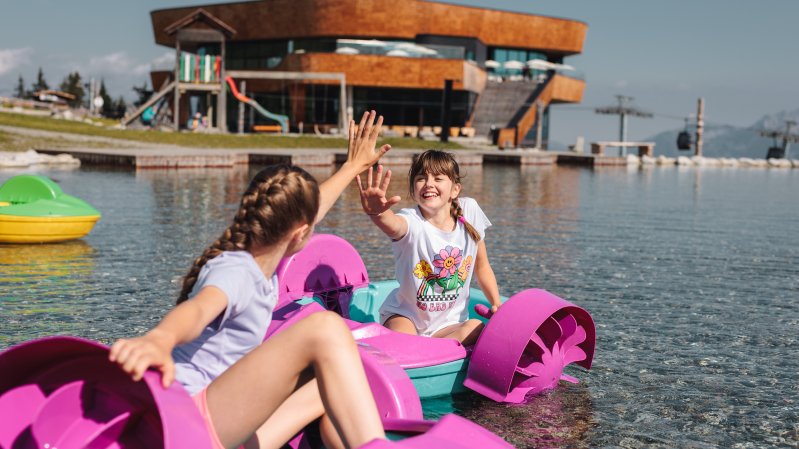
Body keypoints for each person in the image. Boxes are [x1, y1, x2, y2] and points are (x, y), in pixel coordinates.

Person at [110, 111, 390, 449]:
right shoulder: (236, 269)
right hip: (187, 424)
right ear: (299, 234)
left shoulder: (262, 261)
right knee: (326, 329)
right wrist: (160, 339)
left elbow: (309, 213)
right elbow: (199, 310)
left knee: (328, 381)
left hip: (223, 423)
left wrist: (352, 166)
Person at [356, 150, 502, 345]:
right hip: (406, 316)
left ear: (455, 190)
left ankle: (429, 350)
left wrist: (496, 303)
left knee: (476, 326)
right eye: (421, 178)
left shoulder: (470, 211)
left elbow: (482, 267)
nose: (429, 184)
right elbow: (393, 224)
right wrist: (377, 213)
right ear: (413, 189)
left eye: (438, 178)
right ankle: (428, 351)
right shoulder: (411, 221)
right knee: (405, 341)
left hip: (449, 325)